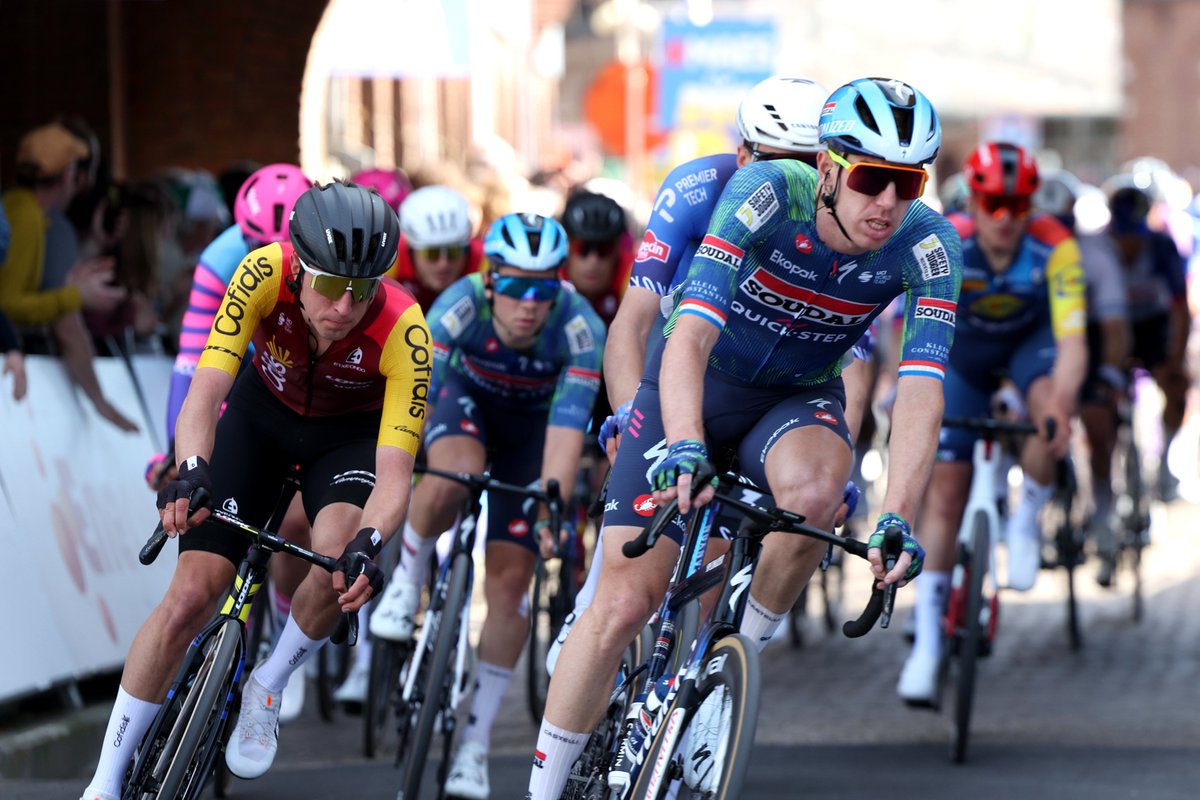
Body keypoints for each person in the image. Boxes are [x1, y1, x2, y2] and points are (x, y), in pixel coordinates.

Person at [526, 76, 961, 799]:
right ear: (826, 168)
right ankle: (542, 788)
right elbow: (687, 333)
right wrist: (684, 442)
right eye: (872, 178)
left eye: (907, 182)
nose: (888, 202)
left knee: (820, 494)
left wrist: (899, 516)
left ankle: (726, 679)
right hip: (701, 379)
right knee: (623, 604)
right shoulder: (764, 193)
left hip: (795, 396)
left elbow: (919, 391)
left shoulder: (930, 246)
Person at [79, 182, 430, 800]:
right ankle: (105, 781)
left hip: (344, 442)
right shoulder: (263, 271)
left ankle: (269, 682)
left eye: (364, 287)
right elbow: (207, 389)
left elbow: (395, 475)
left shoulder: (405, 329)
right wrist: (190, 466)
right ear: (298, 268)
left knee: (336, 557)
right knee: (190, 598)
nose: (346, 306)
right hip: (258, 418)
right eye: (329, 285)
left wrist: (370, 543)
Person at [547, 75, 878, 671]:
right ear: (743, 155)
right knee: (637, 522)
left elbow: (852, 361)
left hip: (772, 395)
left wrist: (838, 451)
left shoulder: (840, 223)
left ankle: (699, 689)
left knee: (714, 558)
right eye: (777, 163)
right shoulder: (698, 189)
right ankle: (596, 592)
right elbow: (633, 323)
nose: (792, 181)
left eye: (810, 165)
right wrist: (628, 416)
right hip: (683, 364)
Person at [369, 212, 606, 799]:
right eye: (516, 286)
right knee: (453, 477)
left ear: (560, 286)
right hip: (465, 404)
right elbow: (418, 398)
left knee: (508, 590)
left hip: (534, 433)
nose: (530, 303)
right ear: (491, 279)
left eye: (544, 288)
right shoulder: (459, 304)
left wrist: (549, 510)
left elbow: (567, 429)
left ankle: (474, 746)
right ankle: (409, 576)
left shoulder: (578, 328)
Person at [897, 142, 1087, 705]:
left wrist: (1062, 407)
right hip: (964, 355)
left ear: (1032, 205)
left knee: (1050, 403)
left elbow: (1073, 343)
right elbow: (914, 327)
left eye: (1018, 205)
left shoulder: (1056, 246)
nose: (1004, 218)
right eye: (992, 204)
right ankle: (927, 646)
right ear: (973, 202)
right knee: (946, 497)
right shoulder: (947, 239)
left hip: (1032, 350)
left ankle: (1027, 514)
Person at [0, 122, 136, 430]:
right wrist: (75, 295)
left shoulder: (23, 209)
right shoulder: (27, 217)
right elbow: (7, 305)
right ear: (67, 177)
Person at [1036, 170, 1132, 587]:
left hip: (1089, 336)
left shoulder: (1096, 254)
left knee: (1097, 422)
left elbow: (1113, 328)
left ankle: (1104, 510)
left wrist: (1110, 373)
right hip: (1042, 336)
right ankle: (1041, 500)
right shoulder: (1028, 248)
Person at [1103, 183, 1190, 502]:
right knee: (1101, 397)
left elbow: (1180, 312)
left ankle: (1165, 462)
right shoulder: (1101, 247)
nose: (1129, 244)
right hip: (1113, 326)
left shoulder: (1162, 247)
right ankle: (1108, 473)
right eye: (1123, 235)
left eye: (1134, 235)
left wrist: (1175, 361)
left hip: (1154, 327)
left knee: (1177, 386)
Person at [387, 184, 483, 312]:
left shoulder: (484, 262)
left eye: (453, 251)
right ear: (410, 250)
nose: (443, 264)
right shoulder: (390, 259)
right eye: (432, 253)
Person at [559, 190, 633, 327]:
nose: (593, 260)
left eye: (604, 249)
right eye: (582, 248)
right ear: (566, 247)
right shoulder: (550, 278)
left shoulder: (635, 278)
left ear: (618, 250)